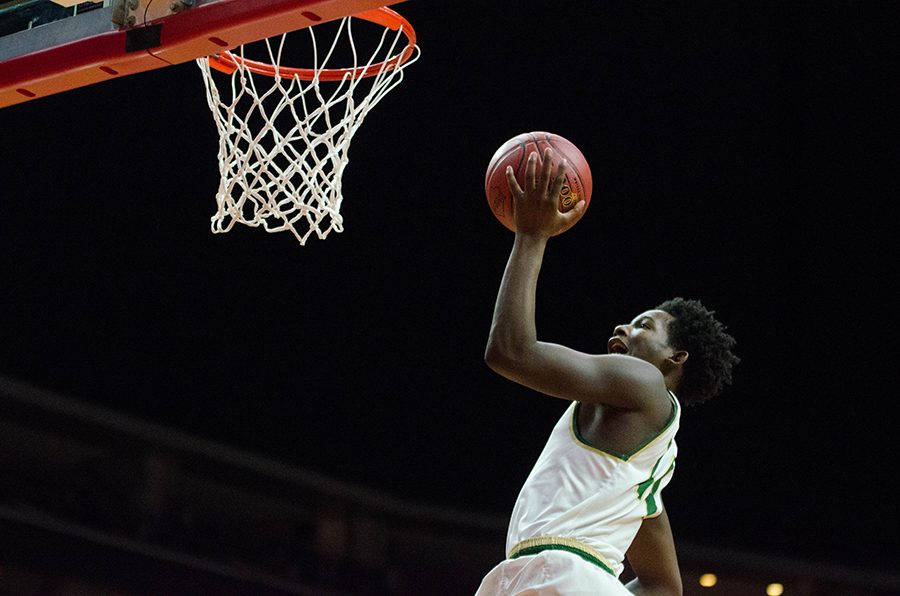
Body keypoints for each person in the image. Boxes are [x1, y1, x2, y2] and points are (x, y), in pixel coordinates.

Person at [475, 148, 739, 595]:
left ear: (675, 358)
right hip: (555, 577)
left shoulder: (644, 382)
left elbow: (511, 352)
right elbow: (663, 587)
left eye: (644, 325)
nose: (623, 327)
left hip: (561, 577)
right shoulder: (641, 477)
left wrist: (532, 235)